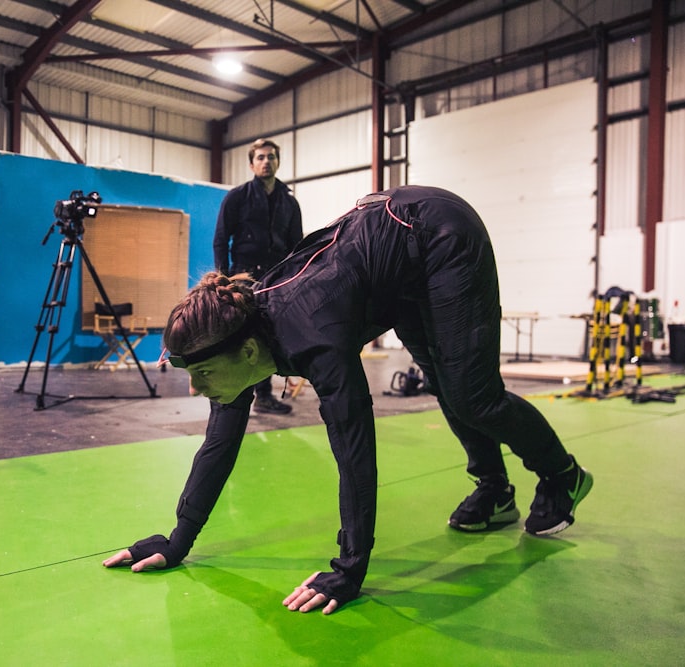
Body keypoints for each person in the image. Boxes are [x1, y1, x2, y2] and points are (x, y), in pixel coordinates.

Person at [103, 185, 593, 615]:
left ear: (248, 353)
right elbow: (219, 443)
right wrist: (178, 540)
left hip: (442, 236)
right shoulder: (236, 332)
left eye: (202, 374)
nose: (196, 389)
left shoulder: (315, 338)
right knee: (447, 384)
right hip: (395, 257)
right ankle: (495, 492)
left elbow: (354, 450)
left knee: (473, 394)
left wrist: (349, 568)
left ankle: (562, 476)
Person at [212, 138, 303, 414]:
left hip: (278, 278)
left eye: (271, 157)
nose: (266, 161)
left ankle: (263, 396)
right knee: (239, 336)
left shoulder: (290, 203)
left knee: (267, 336)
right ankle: (233, 394)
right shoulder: (237, 197)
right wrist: (223, 278)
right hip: (244, 277)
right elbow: (220, 239)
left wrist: (296, 278)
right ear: (252, 164)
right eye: (261, 157)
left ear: (278, 162)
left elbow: (297, 246)